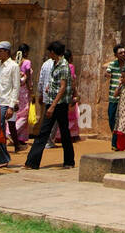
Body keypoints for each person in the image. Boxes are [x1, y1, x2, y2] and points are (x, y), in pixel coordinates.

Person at [24, 41, 75, 170]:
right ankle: (68, 161)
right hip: (54, 101)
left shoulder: (63, 66)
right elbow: (57, 83)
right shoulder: (55, 64)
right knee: (62, 132)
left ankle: (32, 162)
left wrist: (52, 106)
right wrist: (49, 88)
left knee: (46, 132)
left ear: (53, 52)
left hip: (58, 104)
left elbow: (63, 87)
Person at [0, 41, 20, 167]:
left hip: (5, 102)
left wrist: (11, 106)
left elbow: (15, 87)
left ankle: (3, 157)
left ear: (7, 52)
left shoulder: (13, 66)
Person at [104, 44, 125, 151]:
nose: (123, 54)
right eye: (120, 53)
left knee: (121, 120)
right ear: (116, 55)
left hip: (124, 98)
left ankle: (116, 143)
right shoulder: (112, 65)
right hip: (113, 97)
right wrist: (107, 74)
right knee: (112, 119)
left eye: (124, 52)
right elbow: (107, 73)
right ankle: (116, 139)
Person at [13, 43, 33, 148]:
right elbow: (28, 76)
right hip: (24, 90)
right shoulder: (27, 62)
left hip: (17, 91)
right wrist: (30, 88)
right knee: (24, 113)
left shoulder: (15, 62)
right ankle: (13, 132)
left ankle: (20, 137)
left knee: (17, 114)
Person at [65, 49, 81, 142]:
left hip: (63, 94)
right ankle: (72, 135)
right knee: (73, 115)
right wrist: (75, 93)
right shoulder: (70, 66)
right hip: (69, 93)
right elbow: (72, 81)